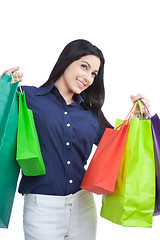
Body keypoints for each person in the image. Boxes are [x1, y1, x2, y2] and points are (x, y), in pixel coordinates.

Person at [0, 39, 150, 240]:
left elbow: (120, 148)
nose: (88, 77)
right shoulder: (27, 97)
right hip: (41, 208)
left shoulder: (91, 113)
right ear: (67, 61)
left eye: (94, 74)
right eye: (84, 67)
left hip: (83, 206)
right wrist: (2, 92)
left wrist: (141, 120)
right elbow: (3, 132)